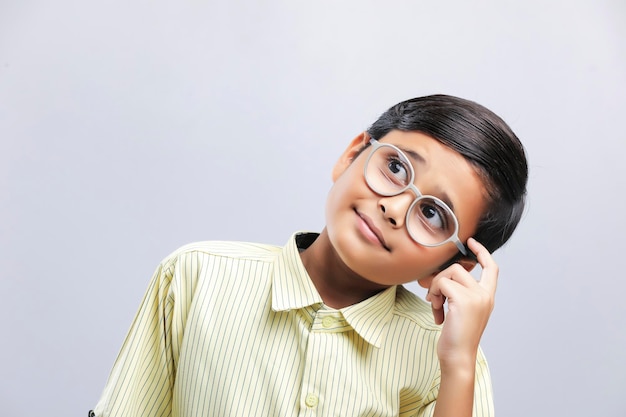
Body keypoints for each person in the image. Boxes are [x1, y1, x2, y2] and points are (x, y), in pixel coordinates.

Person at [89, 94, 528, 417]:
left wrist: (457, 364)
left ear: (451, 267)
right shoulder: (195, 275)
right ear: (352, 154)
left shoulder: (448, 358)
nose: (394, 209)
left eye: (432, 214)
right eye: (395, 167)